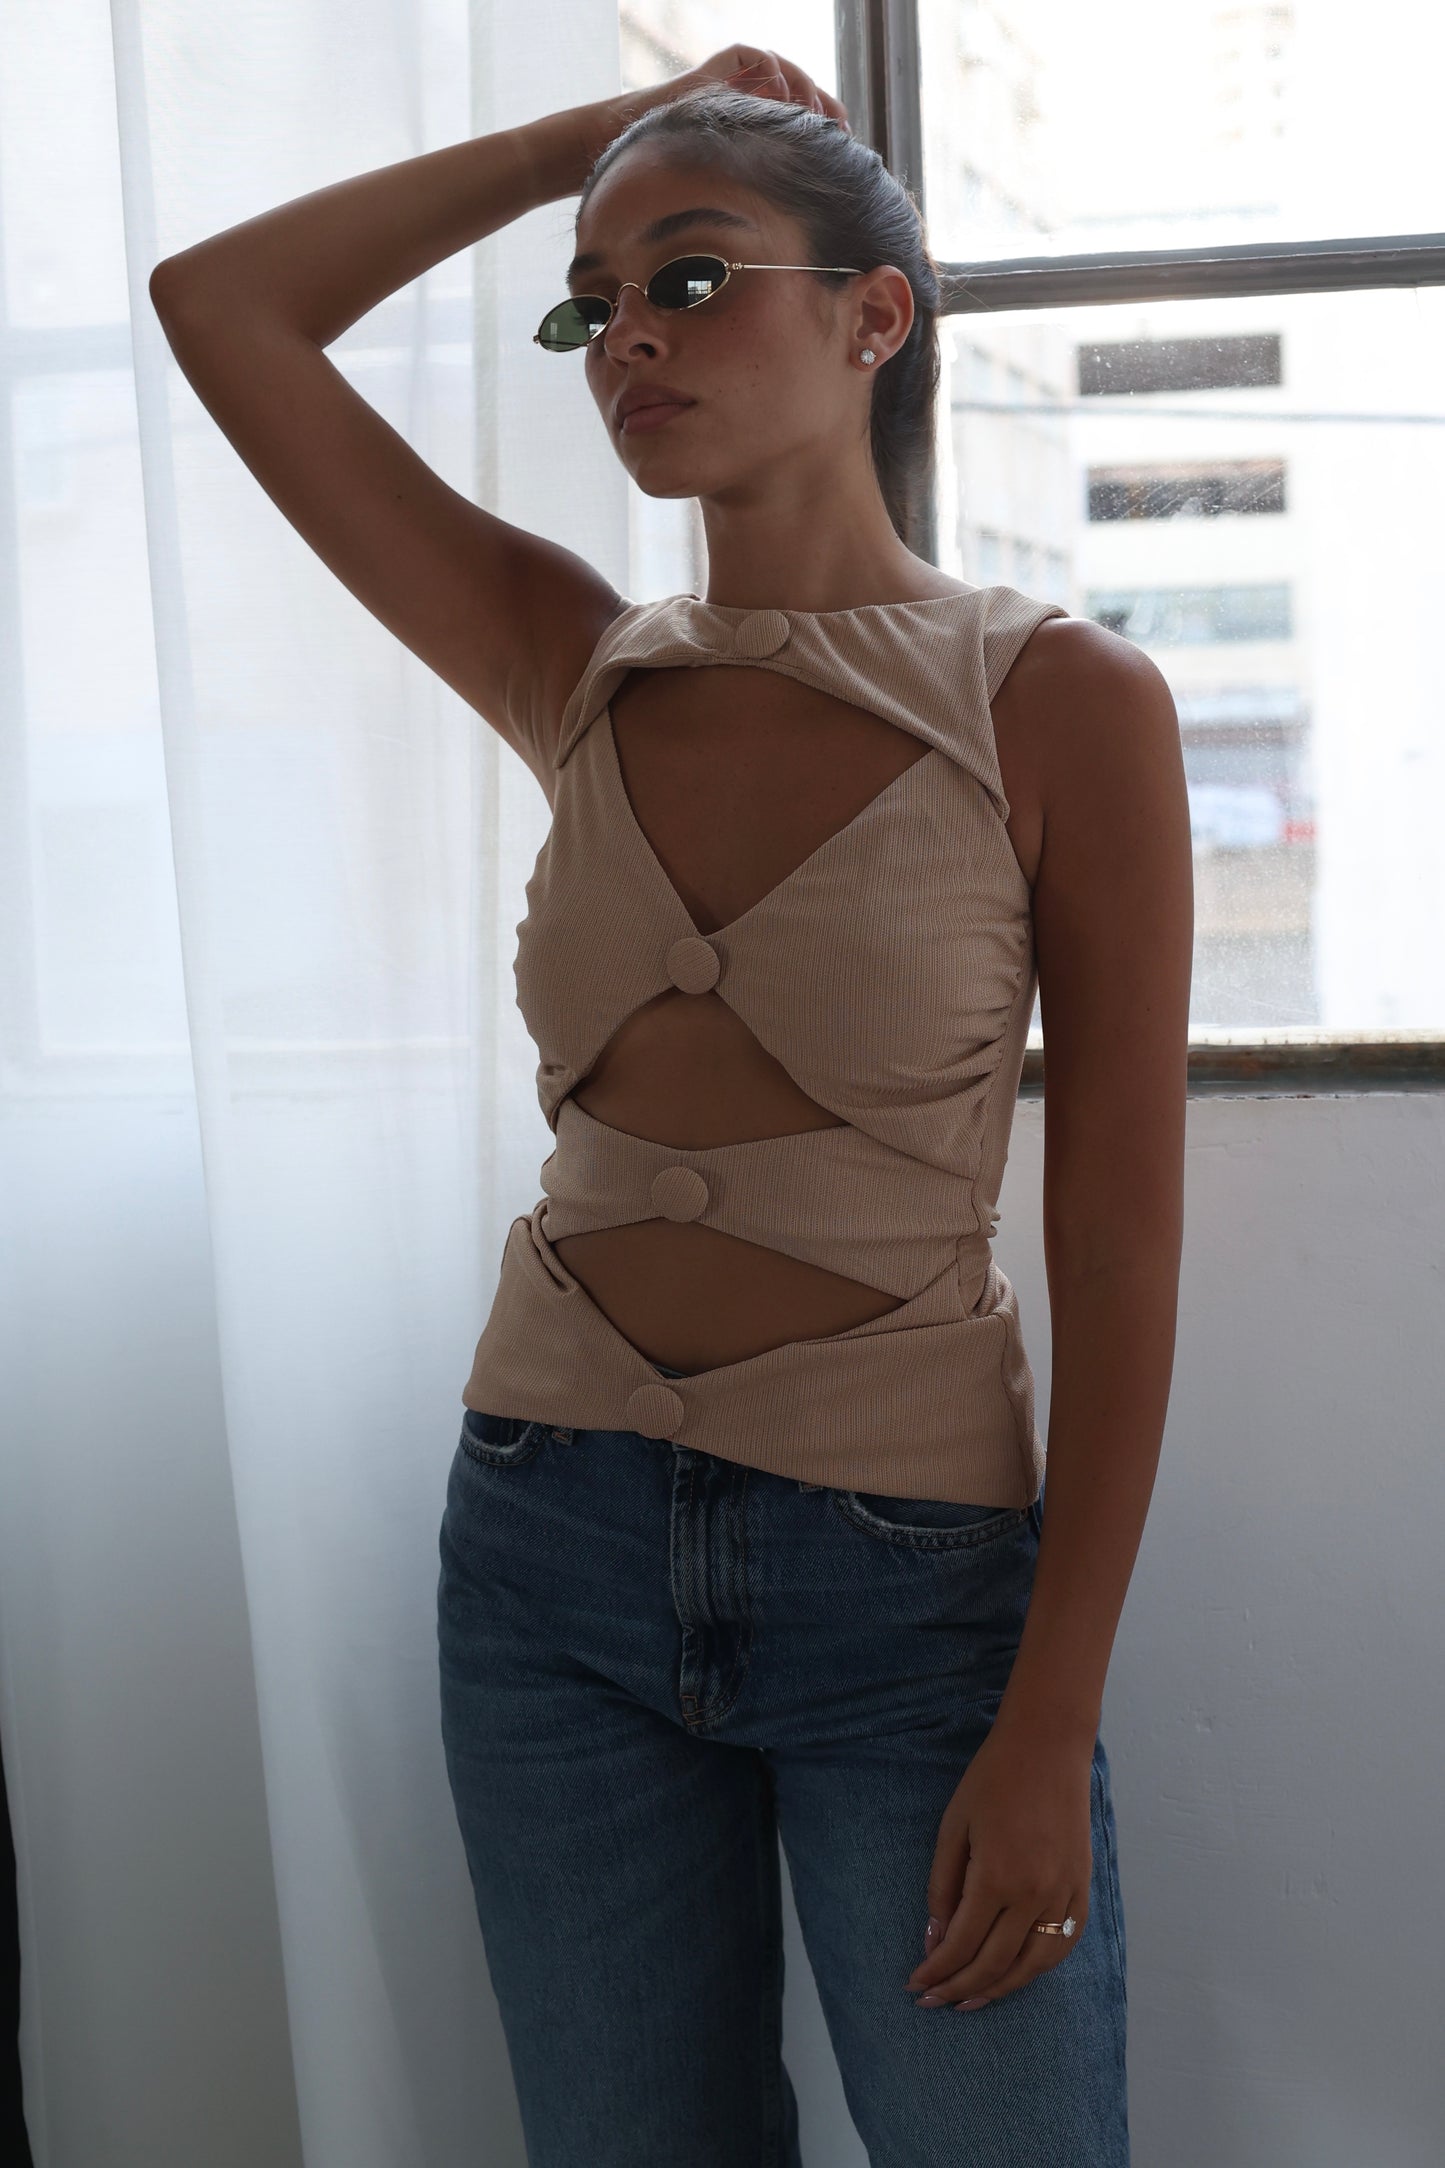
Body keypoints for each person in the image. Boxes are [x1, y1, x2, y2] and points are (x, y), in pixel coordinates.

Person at [150, 40, 1192, 2167]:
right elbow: (221, 306)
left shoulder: (1060, 701)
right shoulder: (571, 657)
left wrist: (1052, 1707)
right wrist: (585, 145)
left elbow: (1116, 1237)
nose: (626, 335)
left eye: (691, 278)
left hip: (910, 1589)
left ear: (876, 313)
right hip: (549, 1551)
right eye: (594, 303)